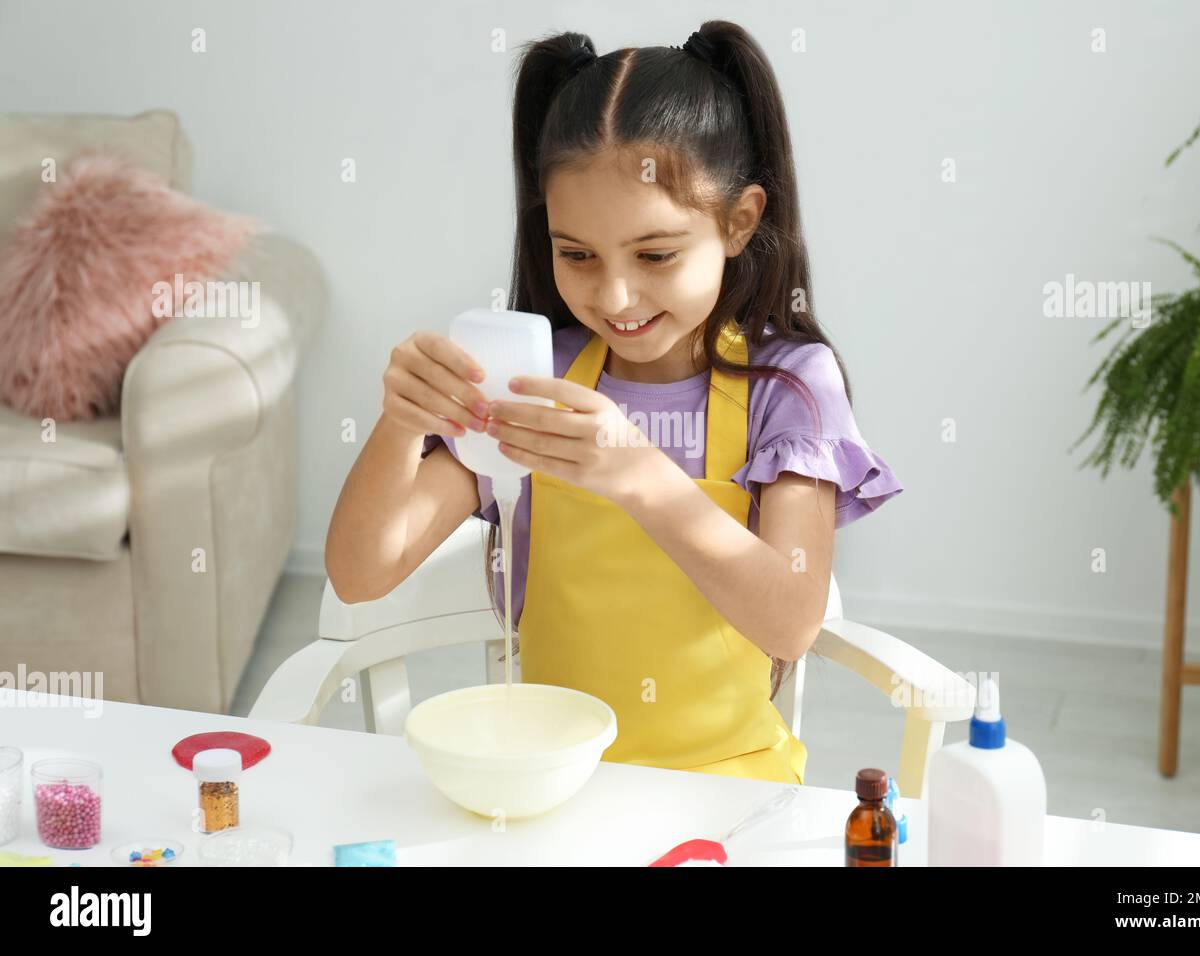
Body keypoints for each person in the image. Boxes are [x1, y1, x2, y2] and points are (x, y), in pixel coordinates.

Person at [326, 21, 903, 786]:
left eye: (656, 254)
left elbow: (790, 621)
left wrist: (638, 473)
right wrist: (402, 423)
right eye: (578, 255)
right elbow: (361, 573)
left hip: (728, 788)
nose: (615, 295)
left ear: (739, 221)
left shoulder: (792, 385)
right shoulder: (537, 374)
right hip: (551, 785)